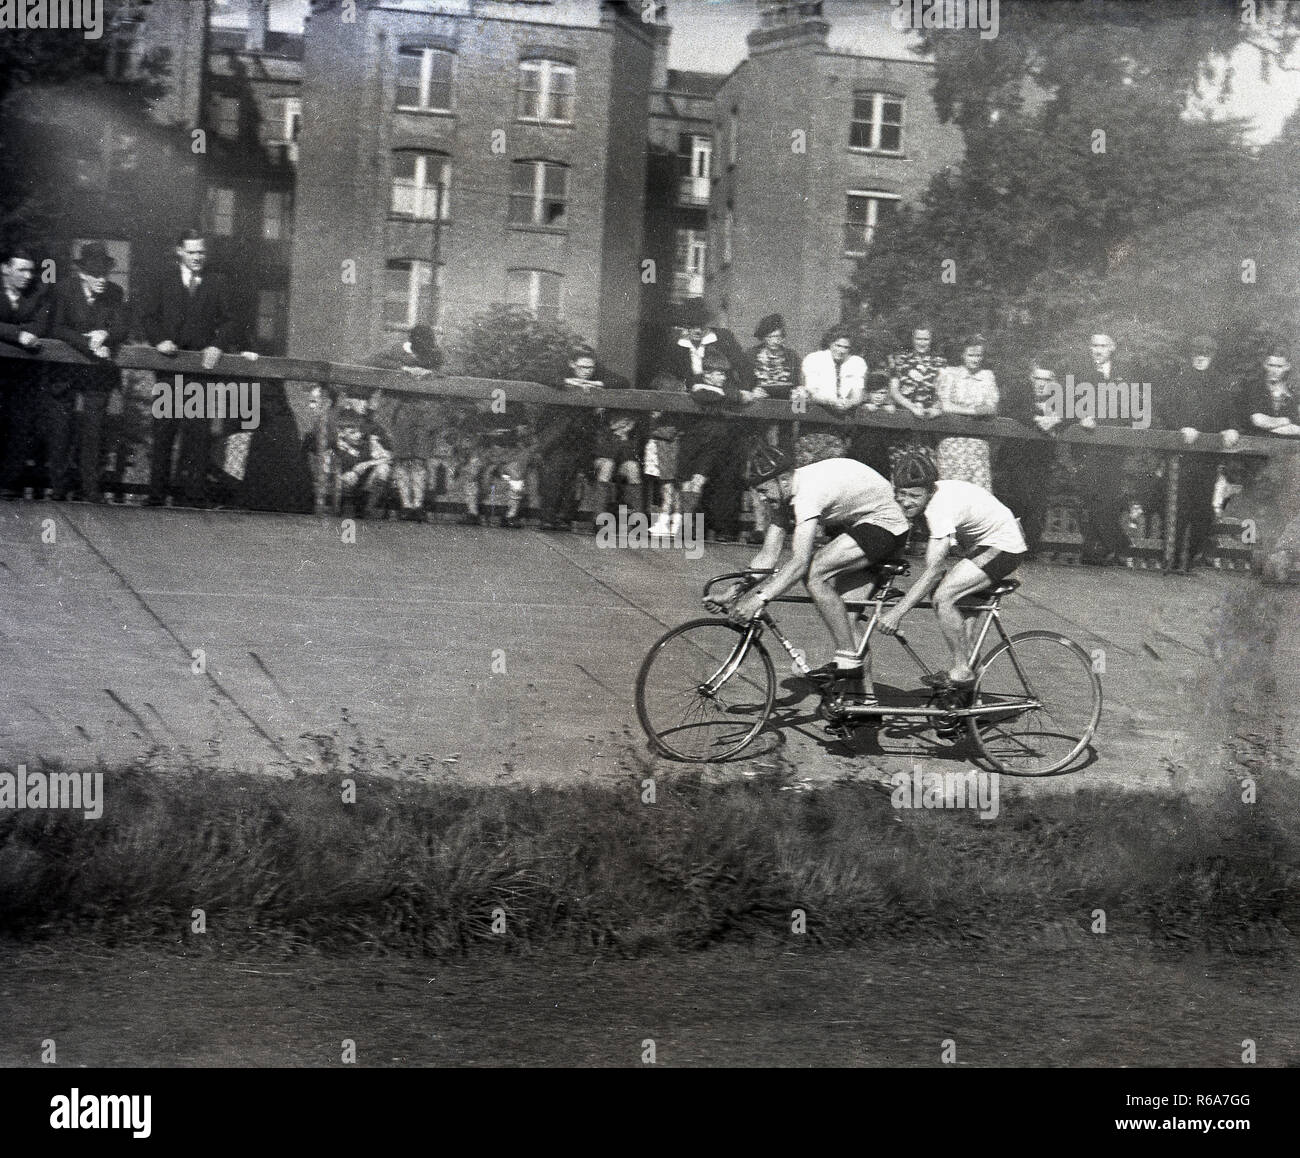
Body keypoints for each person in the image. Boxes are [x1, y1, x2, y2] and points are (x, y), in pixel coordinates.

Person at [725, 432, 911, 705]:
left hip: (887, 524)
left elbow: (799, 562)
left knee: (815, 572)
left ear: (784, 479)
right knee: (846, 621)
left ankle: (848, 661)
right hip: (863, 524)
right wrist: (737, 589)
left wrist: (760, 598)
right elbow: (768, 555)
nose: (762, 499)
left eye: (764, 491)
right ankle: (866, 703)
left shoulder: (807, 494)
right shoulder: (784, 494)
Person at [879, 452, 1028, 689]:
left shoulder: (939, 508)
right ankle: (968, 709)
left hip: (1004, 545)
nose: (906, 502)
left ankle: (961, 671)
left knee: (943, 596)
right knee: (964, 635)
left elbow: (934, 571)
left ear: (930, 492)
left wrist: (896, 614)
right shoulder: (930, 498)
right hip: (984, 544)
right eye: (902, 494)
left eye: (914, 496)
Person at [137, 228, 242, 508]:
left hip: (200, 372)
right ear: (179, 251)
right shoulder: (163, 280)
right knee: (164, 433)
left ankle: (193, 497)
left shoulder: (216, 282)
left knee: (197, 434)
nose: (198, 257)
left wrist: (217, 345)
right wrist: (159, 340)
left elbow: (231, 321)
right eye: (192, 252)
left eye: (202, 252)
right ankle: (156, 495)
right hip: (169, 369)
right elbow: (147, 317)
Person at [47, 243, 129, 503]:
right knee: (61, 430)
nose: (101, 279)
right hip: (66, 372)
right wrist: (87, 344)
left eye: (105, 273)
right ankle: (58, 488)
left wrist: (105, 333)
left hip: (97, 376)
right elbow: (57, 328)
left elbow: (122, 328)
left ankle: (90, 489)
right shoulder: (63, 290)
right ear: (82, 273)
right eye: (95, 274)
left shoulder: (115, 293)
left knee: (93, 432)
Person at [1165, 335, 1241, 572]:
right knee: (1179, 507)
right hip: (1182, 456)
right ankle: (1174, 558)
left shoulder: (1220, 383)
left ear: (1212, 356)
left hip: (1207, 457)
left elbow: (1229, 413)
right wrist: (1181, 426)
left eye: (1205, 354)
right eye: (1197, 353)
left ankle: (1191, 558)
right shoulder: (1178, 379)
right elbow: (1166, 410)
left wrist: (1231, 428)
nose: (1200, 358)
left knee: (1202, 508)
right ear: (1191, 355)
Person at [369, 324, 446, 521]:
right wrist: (403, 367)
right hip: (401, 411)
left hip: (425, 413)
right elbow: (375, 360)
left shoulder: (435, 355)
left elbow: (448, 369)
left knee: (419, 459)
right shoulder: (397, 350)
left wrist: (430, 373)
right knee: (403, 458)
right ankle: (406, 505)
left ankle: (417, 505)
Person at [0, 245, 51, 499]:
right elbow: (26, 329)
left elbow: (41, 324)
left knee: (19, 428)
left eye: (30, 270)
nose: (27, 276)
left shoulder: (38, 294)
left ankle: (8, 484)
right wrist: (18, 334)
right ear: (5, 269)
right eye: (20, 269)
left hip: (22, 377)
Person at [742, 313, 798, 542]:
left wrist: (794, 391)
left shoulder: (792, 356)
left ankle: (780, 525)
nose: (776, 340)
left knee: (782, 473)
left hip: (782, 424)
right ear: (763, 337)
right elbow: (745, 384)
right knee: (757, 471)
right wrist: (753, 391)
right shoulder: (751, 356)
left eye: (779, 336)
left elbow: (797, 385)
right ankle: (759, 524)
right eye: (771, 336)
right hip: (758, 424)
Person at [935, 334, 999, 491]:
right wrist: (974, 410)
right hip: (953, 441)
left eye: (978, 355)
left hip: (977, 443)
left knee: (978, 493)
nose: (975, 359)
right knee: (952, 490)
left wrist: (963, 410)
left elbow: (991, 407)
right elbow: (945, 406)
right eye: (971, 355)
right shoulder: (950, 373)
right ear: (962, 355)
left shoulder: (987, 376)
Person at [886, 322, 944, 473]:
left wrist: (935, 408)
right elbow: (894, 391)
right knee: (900, 470)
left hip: (928, 426)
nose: (922, 343)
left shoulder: (939, 363)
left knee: (925, 471)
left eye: (926, 339)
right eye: (919, 338)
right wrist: (912, 407)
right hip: (903, 424)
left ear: (931, 340)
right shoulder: (899, 360)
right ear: (913, 339)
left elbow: (942, 393)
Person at [1241, 346, 1299, 436]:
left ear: (1287, 367)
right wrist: (1286, 420)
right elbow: (1258, 421)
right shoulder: (1253, 387)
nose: (1274, 371)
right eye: (1271, 365)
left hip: (1288, 445)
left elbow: (1297, 427)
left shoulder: (1293, 392)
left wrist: (1270, 425)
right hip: (1255, 442)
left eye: (1279, 366)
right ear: (1265, 364)